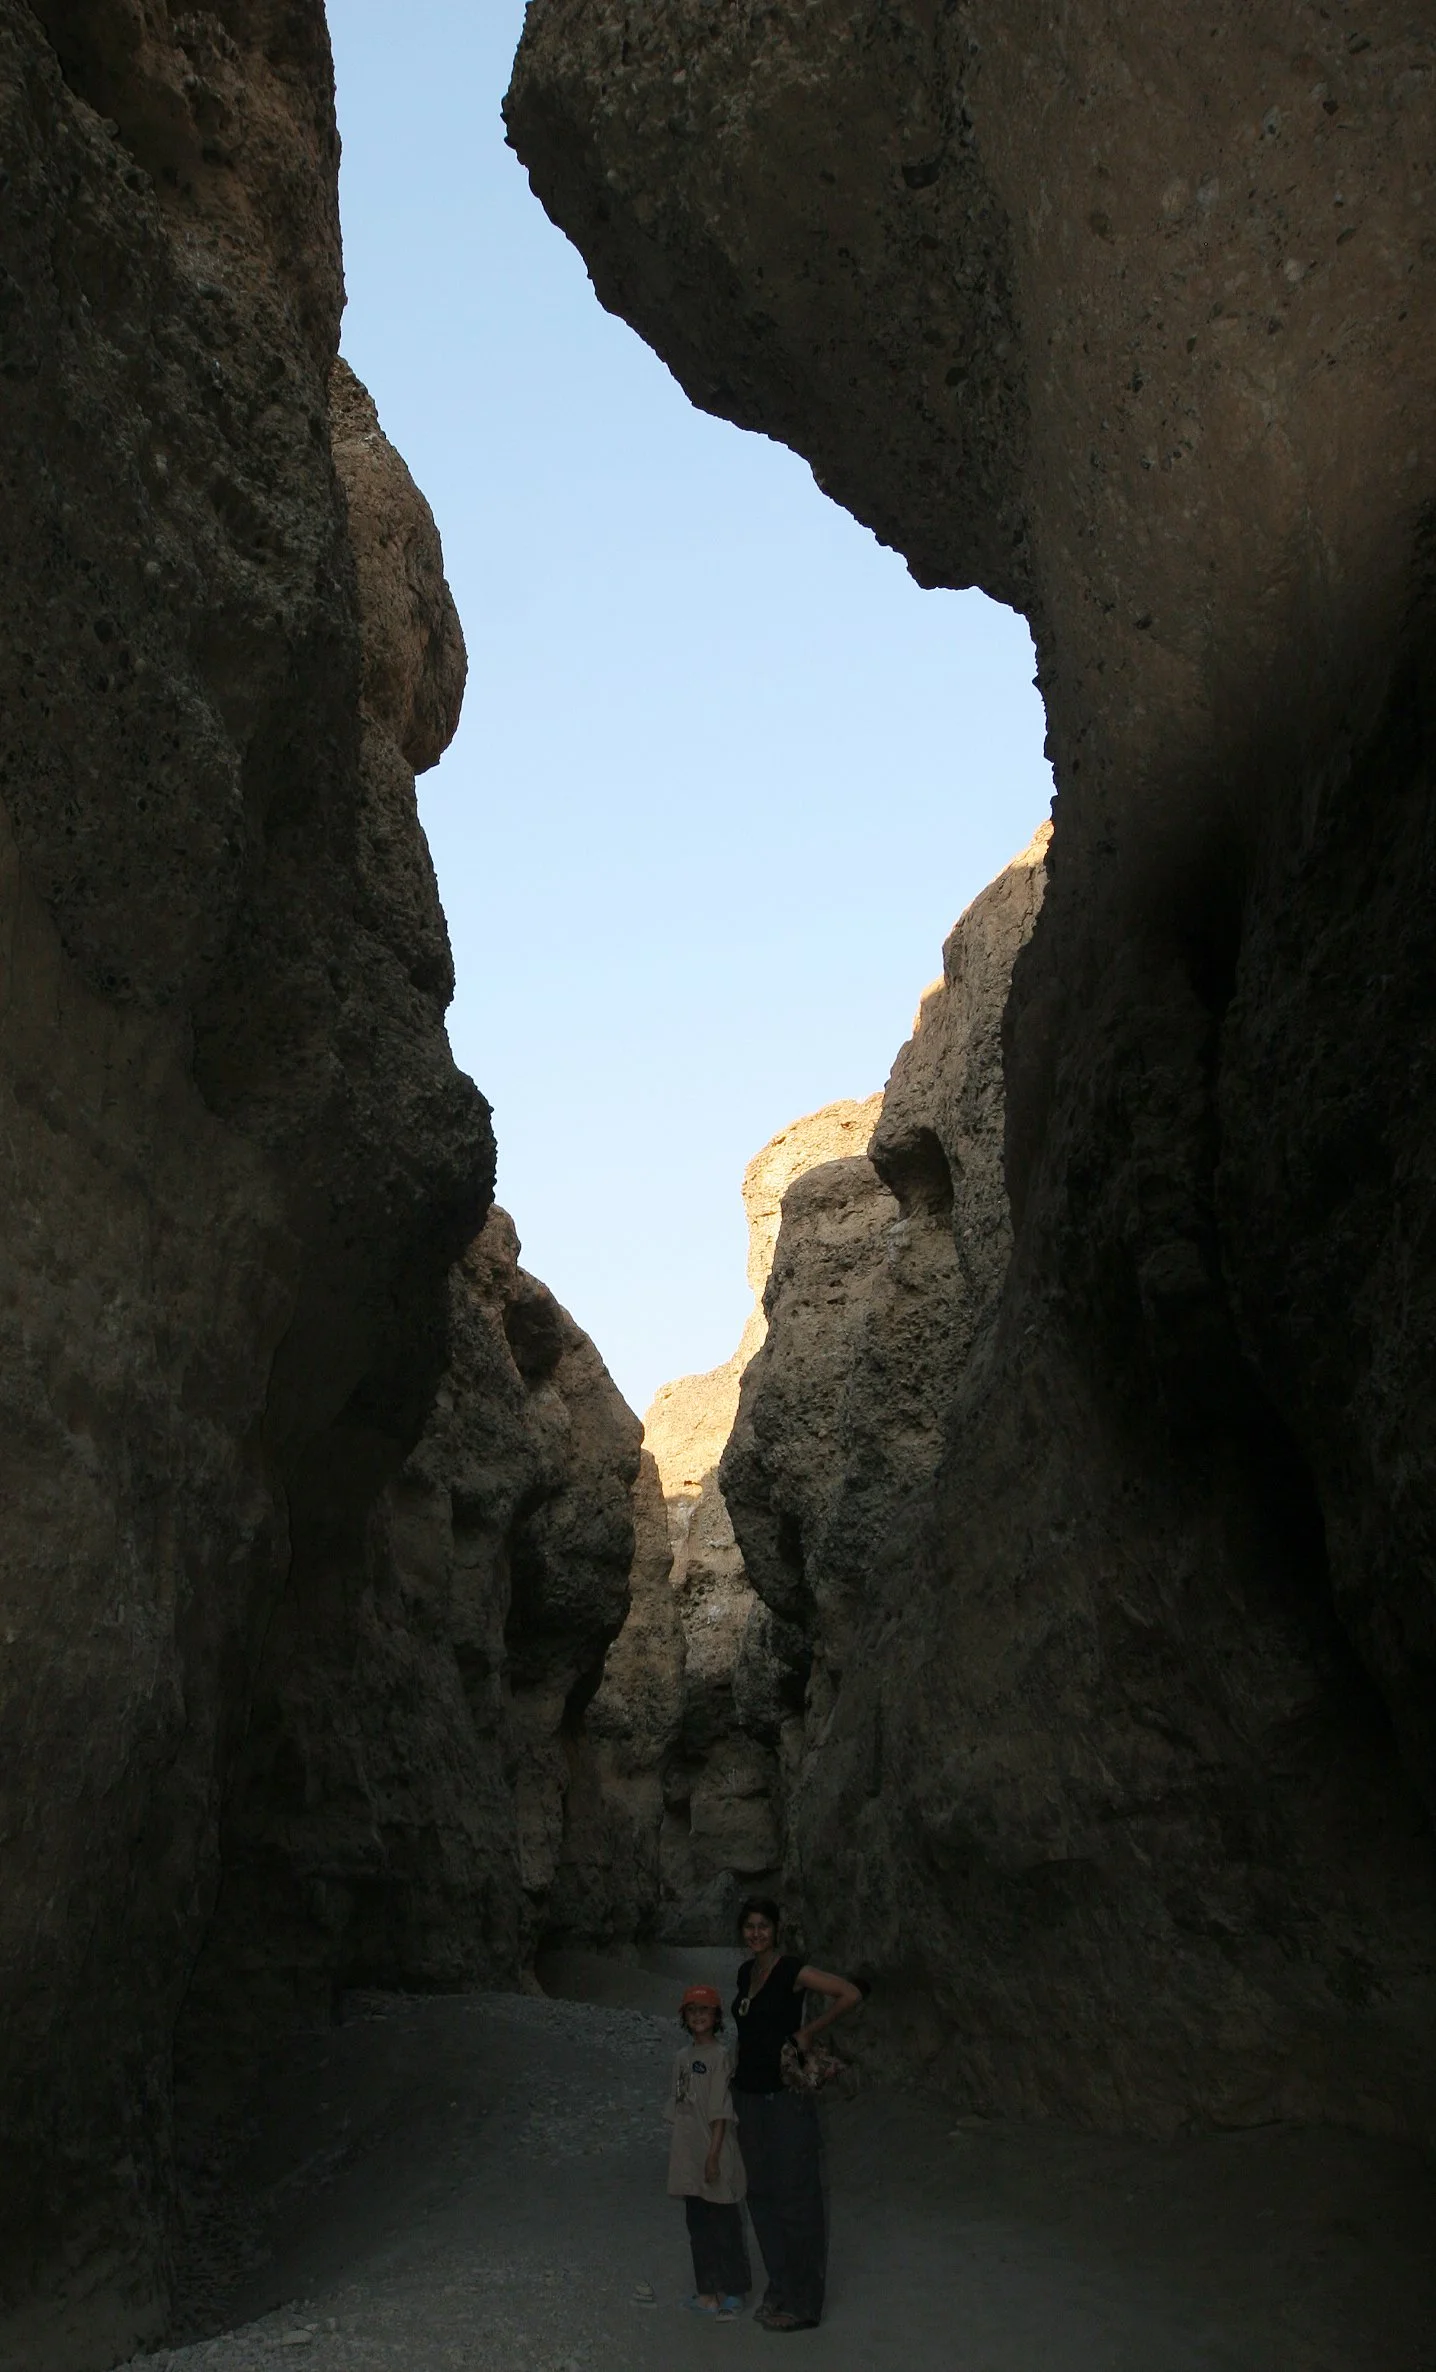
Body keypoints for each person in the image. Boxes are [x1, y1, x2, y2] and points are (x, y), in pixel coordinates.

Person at [730, 1897, 862, 2332]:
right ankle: (781, 2286)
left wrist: (808, 2031)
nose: (756, 1933)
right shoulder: (745, 1973)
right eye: (749, 1926)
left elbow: (849, 1993)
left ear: (776, 1929)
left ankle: (804, 2304)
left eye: (763, 1926)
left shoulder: (792, 1971)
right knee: (760, 2194)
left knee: (796, 2197)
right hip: (748, 2098)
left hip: (785, 2099)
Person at [666, 1982, 752, 2319]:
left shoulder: (720, 2057)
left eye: (704, 2010)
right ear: (684, 2017)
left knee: (725, 2223)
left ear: (716, 2017)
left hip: (715, 2150)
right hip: (688, 2152)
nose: (698, 2016)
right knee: (698, 2226)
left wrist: (713, 2156)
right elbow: (679, 2104)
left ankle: (734, 2292)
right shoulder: (681, 2058)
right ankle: (707, 2293)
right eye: (692, 2011)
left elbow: (721, 2112)